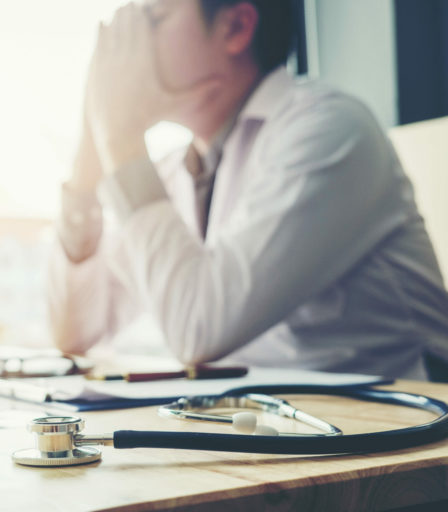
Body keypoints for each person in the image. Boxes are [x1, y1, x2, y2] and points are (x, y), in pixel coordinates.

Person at [47, 0, 448, 380]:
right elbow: (76, 336)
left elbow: (197, 328)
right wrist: (89, 154)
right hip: (272, 431)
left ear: (236, 28)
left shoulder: (327, 129)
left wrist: (119, 136)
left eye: (153, 18)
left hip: (402, 434)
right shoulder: (171, 173)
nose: (127, 48)